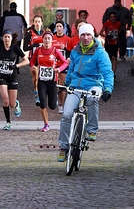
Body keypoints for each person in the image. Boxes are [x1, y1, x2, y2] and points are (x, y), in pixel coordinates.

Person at [57, 23, 114, 162]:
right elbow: (71, 70)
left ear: (93, 35)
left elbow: (107, 72)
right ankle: (63, 147)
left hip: (94, 85)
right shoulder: (76, 51)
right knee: (66, 114)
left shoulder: (100, 53)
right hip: (76, 86)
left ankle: (92, 130)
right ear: (79, 36)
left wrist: (108, 89)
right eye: (83, 35)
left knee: (92, 99)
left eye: (88, 34)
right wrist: (66, 84)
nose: (86, 37)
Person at [0, 29, 29, 130]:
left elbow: (26, 61)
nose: (7, 39)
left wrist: (16, 66)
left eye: (8, 37)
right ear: (2, 38)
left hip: (12, 76)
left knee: (11, 103)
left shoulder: (15, 48)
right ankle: (8, 122)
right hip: (2, 76)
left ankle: (16, 104)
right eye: (5, 37)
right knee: (5, 100)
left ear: (12, 38)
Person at [30, 31, 68, 131]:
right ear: (43, 40)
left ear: (51, 40)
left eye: (49, 39)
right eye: (45, 38)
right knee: (42, 103)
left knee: (52, 106)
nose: (47, 40)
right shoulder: (38, 50)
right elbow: (32, 61)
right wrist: (33, 67)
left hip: (52, 80)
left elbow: (65, 62)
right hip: (41, 80)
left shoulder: (55, 51)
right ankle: (46, 124)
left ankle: (54, 98)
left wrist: (59, 69)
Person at [23, 15, 45, 106]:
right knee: (36, 77)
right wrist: (33, 46)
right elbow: (24, 48)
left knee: (42, 77)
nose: (37, 23)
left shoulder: (45, 33)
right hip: (33, 58)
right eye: (35, 22)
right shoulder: (30, 34)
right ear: (33, 23)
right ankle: (36, 92)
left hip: (43, 58)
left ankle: (41, 93)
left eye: (39, 21)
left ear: (41, 23)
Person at [52, 20, 71, 113]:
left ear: (63, 28)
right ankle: (54, 98)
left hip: (63, 65)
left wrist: (66, 49)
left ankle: (61, 105)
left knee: (62, 85)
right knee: (53, 84)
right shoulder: (52, 38)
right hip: (53, 64)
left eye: (60, 26)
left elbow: (71, 52)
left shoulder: (68, 39)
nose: (59, 28)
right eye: (57, 26)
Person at [100, 11, 121, 76]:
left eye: (114, 17)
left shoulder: (119, 23)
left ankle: (113, 72)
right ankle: (108, 71)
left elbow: (120, 31)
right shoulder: (106, 24)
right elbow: (101, 32)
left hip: (115, 43)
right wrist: (106, 36)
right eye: (111, 17)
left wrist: (117, 35)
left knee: (114, 57)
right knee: (108, 58)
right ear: (109, 18)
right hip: (108, 43)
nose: (112, 18)